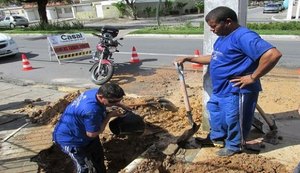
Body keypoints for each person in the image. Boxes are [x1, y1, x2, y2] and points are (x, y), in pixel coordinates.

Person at [176, 6, 282, 156]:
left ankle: (234, 146)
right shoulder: (223, 38)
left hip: (236, 90)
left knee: (234, 120)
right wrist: (190, 58)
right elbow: (216, 57)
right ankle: (216, 139)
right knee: (216, 114)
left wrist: (252, 77)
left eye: (214, 26)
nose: (212, 30)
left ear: (228, 22)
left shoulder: (244, 36)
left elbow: (273, 54)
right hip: (221, 89)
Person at [53, 83, 129, 173]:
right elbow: (92, 134)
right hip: (71, 140)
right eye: (113, 102)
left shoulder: (94, 92)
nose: (116, 104)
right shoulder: (91, 111)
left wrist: (121, 105)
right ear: (101, 97)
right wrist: (109, 116)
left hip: (83, 133)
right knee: (85, 168)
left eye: (119, 101)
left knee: (97, 158)